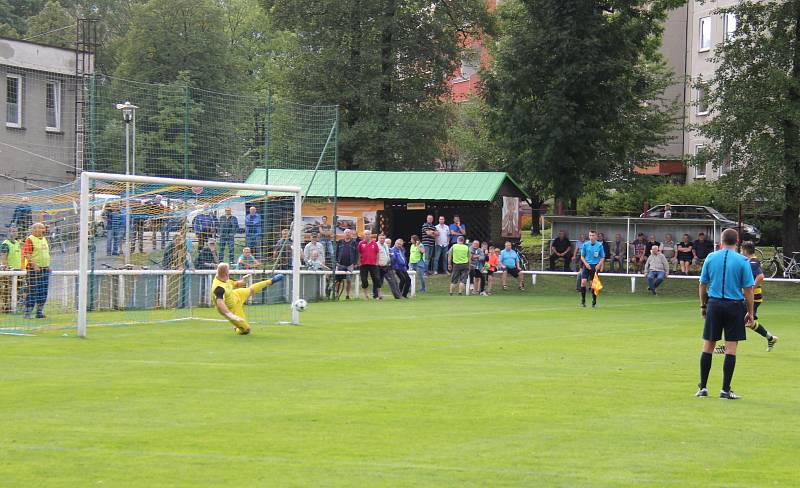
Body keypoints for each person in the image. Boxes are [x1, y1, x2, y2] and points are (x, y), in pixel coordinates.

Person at [696, 228, 755, 400]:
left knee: (708, 346)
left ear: (721, 241)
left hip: (714, 304)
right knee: (730, 348)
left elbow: (702, 284)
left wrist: (703, 306)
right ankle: (725, 390)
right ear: (737, 242)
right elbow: (748, 290)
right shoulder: (743, 261)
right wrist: (750, 312)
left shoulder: (710, 257)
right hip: (734, 306)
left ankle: (703, 388)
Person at [714, 241, 777, 353]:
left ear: (745, 250)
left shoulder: (752, 262)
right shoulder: (751, 261)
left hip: (752, 298)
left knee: (734, 321)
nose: (741, 252)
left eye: (742, 250)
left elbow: (761, 276)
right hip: (753, 297)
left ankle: (726, 348)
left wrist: (750, 289)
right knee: (748, 322)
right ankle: (771, 338)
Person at [212, 262, 283, 335]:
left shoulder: (224, 278)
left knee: (251, 290)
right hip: (232, 309)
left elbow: (236, 284)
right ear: (226, 273)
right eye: (228, 271)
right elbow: (219, 302)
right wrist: (230, 315)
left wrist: (243, 280)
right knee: (246, 330)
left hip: (236, 295)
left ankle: (271, 281)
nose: (229, 272)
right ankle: (237, 328)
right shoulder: (219, 288)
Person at [21, 223, 50, 319]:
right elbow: (27, 254)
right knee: (33, 290)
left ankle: (39, 312)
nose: (43, 229)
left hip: (45, 269)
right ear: (34, 229)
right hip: (34, 270)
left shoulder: (44, 239)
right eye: (41, 228)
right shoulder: (30, 239)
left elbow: (45, 254)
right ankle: (28, 312)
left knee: (43, 291)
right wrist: (34, 265)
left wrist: (48, 266)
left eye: (43, 228)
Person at [579, 230, 605, 308]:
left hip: (595, 266)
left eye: (593, 235)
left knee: (593, 284)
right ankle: (583, 300)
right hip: (587, 266)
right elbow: (582, 256)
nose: (591, 237)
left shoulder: (599, 245)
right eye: (590, 235)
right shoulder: (585, 245)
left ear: (596, 237)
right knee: (583, 282)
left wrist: (599, 265)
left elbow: (603, 257)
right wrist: (586, 264)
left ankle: (594, 301)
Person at [0, 226, 22, 313]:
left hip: (18, 270)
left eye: (15, 231)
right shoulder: (5, 243)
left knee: (17, 289)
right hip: (9, 270)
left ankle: (13, 306)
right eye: (12, 231)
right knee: (7, 289)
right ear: (9, 232)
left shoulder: (17, 243)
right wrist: (6, 267)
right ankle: (6, 307)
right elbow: (3, 256)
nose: (14, 233)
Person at [335, 229, 358, 300]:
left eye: (349, 233)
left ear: (351, 234)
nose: (347, 234)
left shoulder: (354, 243)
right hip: (340, 264)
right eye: (346, 233)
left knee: (349, 281)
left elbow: (356, 254)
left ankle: (347, 295)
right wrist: (336, 262)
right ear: (344, 234)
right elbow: (336, 252)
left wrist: (354, 263)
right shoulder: (340, 242)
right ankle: (336, 295)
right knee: (338, 281)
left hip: (350, 265)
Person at [357, 231, 381, 299]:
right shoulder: (361, 243)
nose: (367, 235)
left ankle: (379, 294)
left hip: (373, 264)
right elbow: (358, 253)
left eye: (368, 234)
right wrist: (359, 261)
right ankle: (366, 295)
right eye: (366, 234)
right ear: (364, 235)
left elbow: (377, 253)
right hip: (363, 264)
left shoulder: (374, 243)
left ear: (370, 235)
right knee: (364, 280)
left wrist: (377, 262)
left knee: (377, 279)